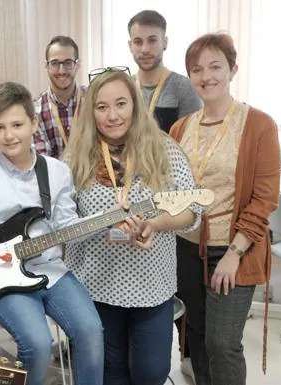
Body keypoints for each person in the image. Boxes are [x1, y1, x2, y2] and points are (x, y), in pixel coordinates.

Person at [0, 82, 104, 385]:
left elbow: (67, 226)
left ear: (34, 123)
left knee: (91, 331)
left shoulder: (56, 171)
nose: (9, 135)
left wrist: (104, 223)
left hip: (51, 269)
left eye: (17, 124)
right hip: (2, 274)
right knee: (38, 345)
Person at [64, 68, 202, 385]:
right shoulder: (76, 156)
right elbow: (63, 221)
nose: (112, 115)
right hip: (94, 283)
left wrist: (156, 223)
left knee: (151, 371)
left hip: (152, 285)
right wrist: (98, 223)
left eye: (121, 104)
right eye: (101, 107)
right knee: (111, 371)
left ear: (135, 105)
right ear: (91, 112)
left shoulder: (164, 150)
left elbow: (191, 210)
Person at [169, 33, 280, 385]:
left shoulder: (259, 125)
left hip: (233, 249)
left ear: (233, 69)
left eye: (215, 66)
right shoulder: (180, 128)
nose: (207, 76)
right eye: (197, 69)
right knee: (197, 338)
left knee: (223, 343)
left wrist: (235, 252)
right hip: (186, 248)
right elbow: (171, 189)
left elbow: (264, 200)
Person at [128, 10, 202, 133]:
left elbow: (190, 141)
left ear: (165, 42)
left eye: (152, 40)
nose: (145, 49)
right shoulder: (123, 87)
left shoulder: (185, 88)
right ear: (130, 46)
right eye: (138, 42)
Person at [33, 35, 87, 159]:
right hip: (54, 178)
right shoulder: (35, 110)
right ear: (46, 66)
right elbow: (42, 162)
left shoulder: (94, 101)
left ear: (77, 65)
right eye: (55, 63)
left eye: (68, 63)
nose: (61, 71)